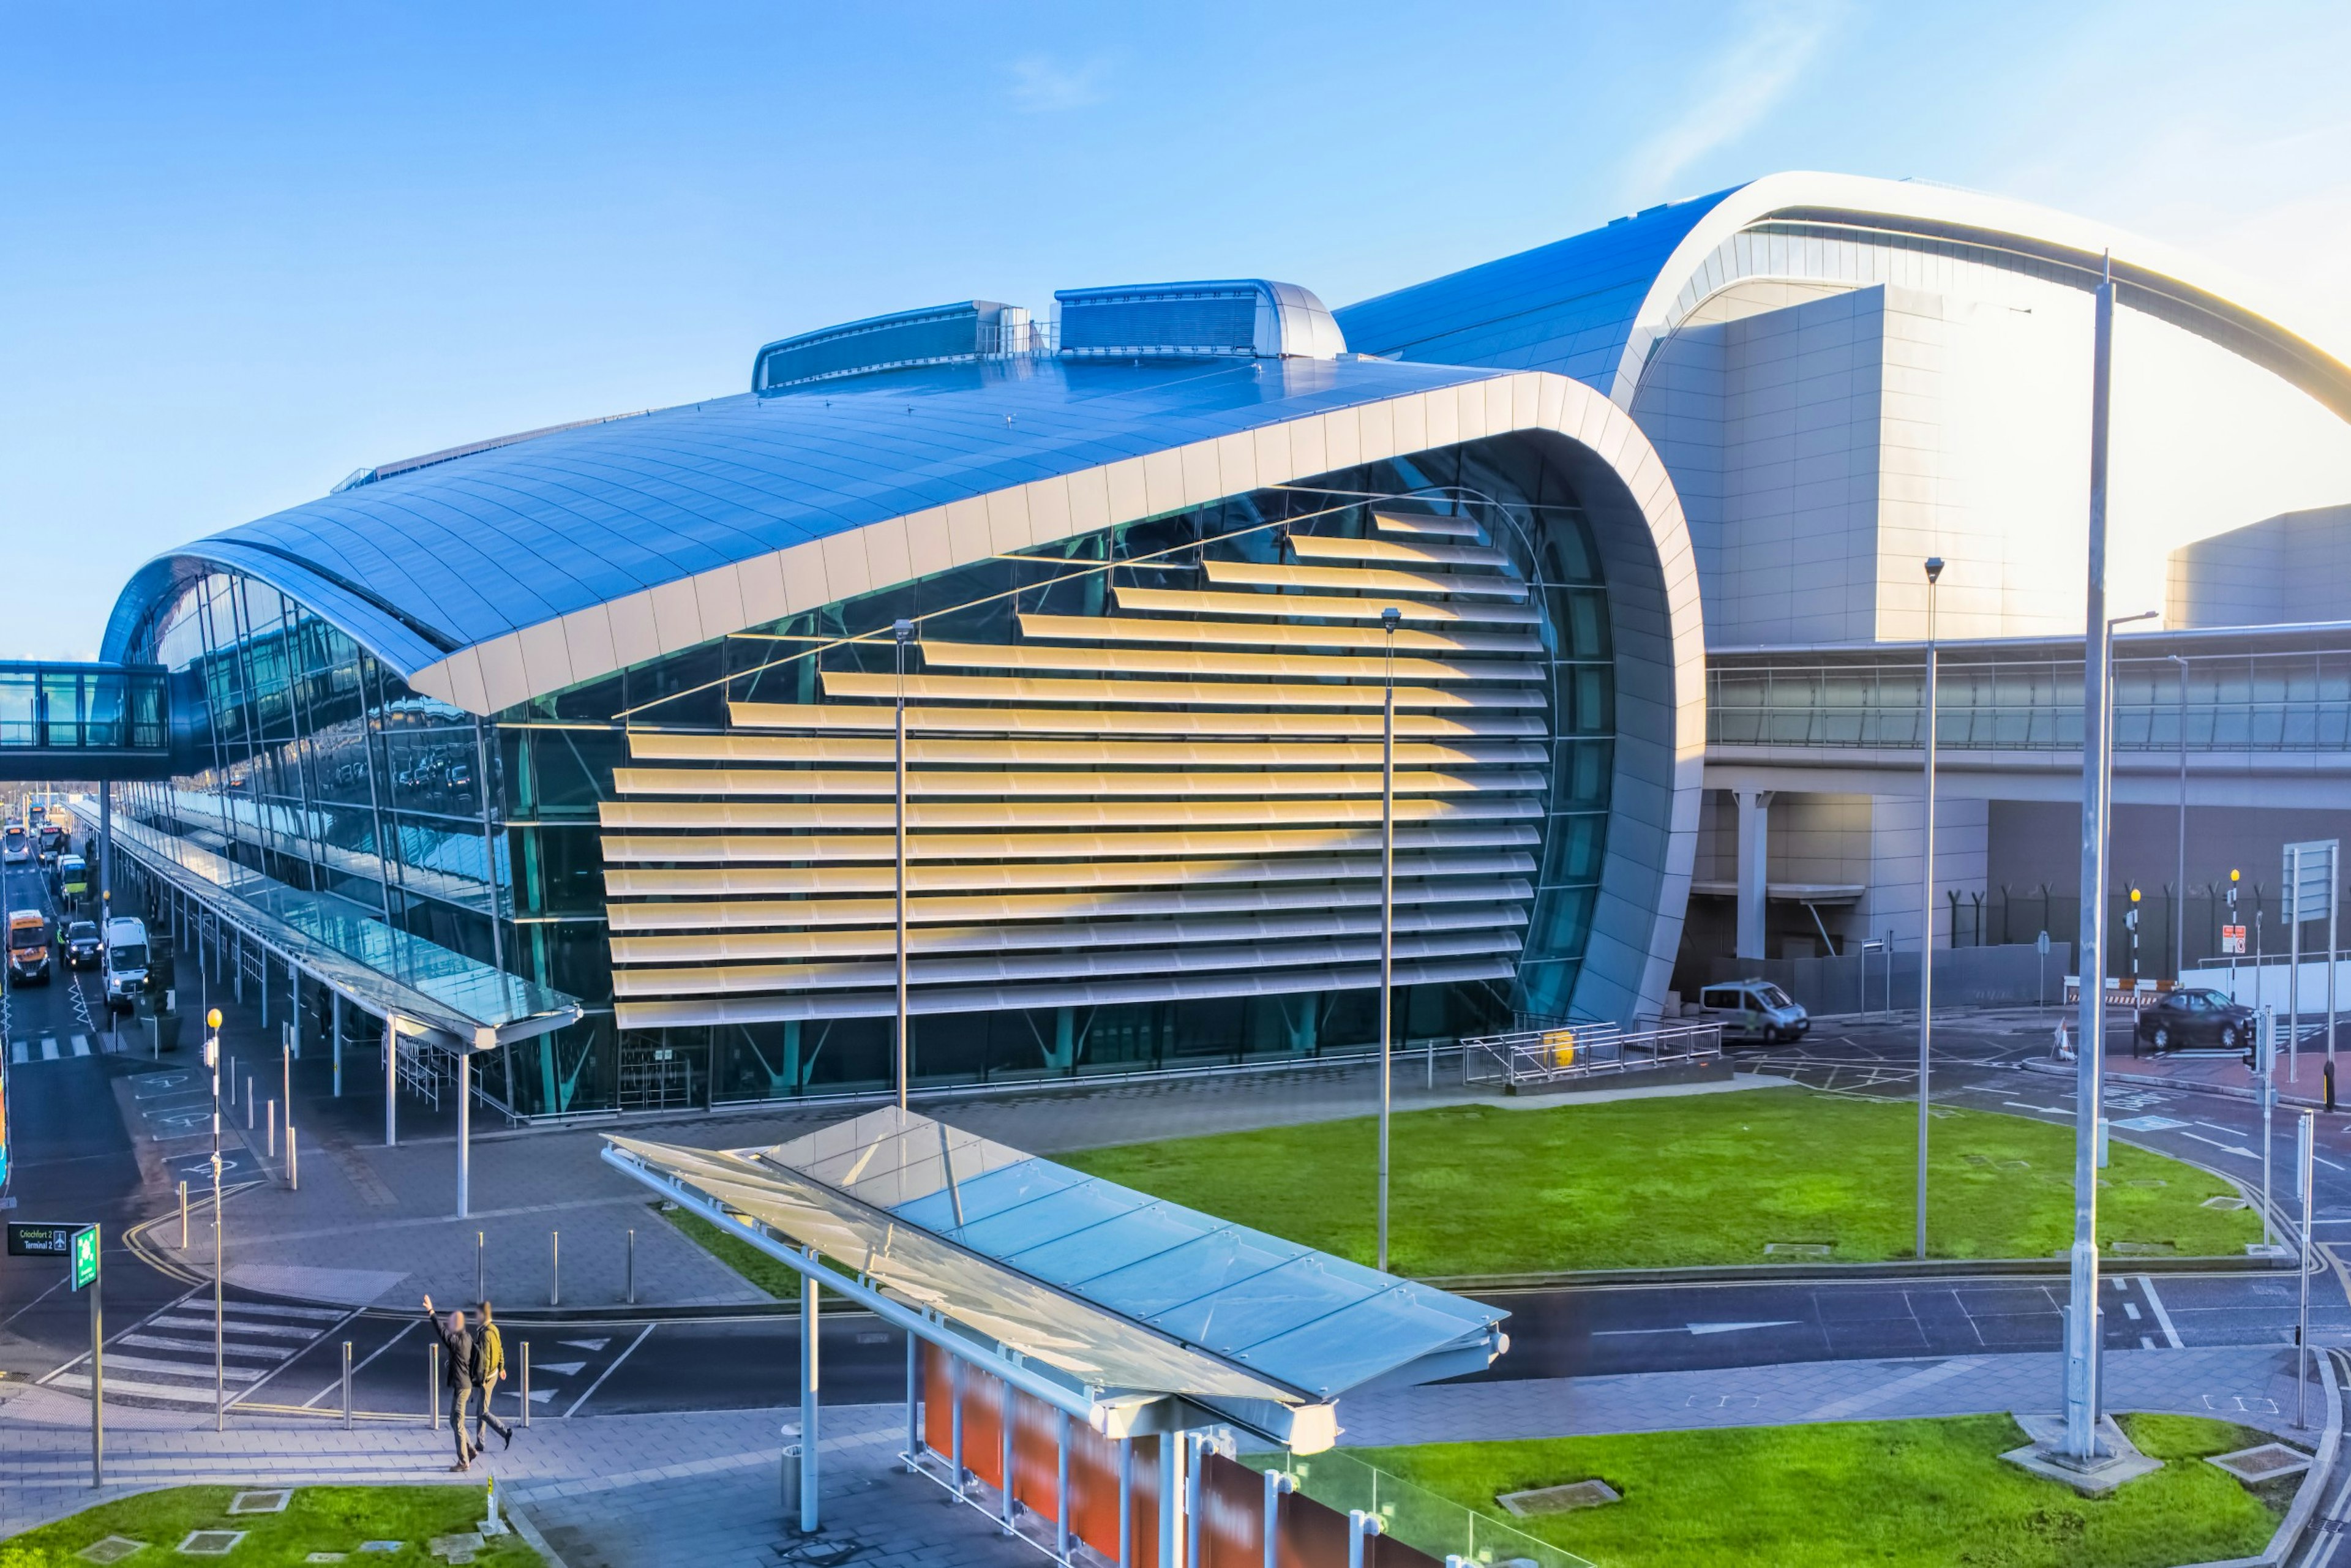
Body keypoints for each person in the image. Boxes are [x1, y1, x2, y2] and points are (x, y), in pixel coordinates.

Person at [421, 1294, 479, 1471]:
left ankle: (464, 1462)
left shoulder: (456, 1342)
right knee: (454, 1420)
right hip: (463, 1385)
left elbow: (441, 1332)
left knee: (458, 1424)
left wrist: (431, 1311)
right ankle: (470, 1450)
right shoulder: (467, 1338)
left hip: (462, 1387)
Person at [471, 1300, 515, 1451]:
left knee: (483, 1411)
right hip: (494, 1373)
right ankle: (480, 1443)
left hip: (487, 1378)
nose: (476, 1317)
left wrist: (480, 1380)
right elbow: (500, 1349)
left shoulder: (485, 1334)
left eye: (477, 1315)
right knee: (480, 1410)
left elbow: (485, 1360)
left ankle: (505, 1431)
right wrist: (502, 1367)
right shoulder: (493, 1329)